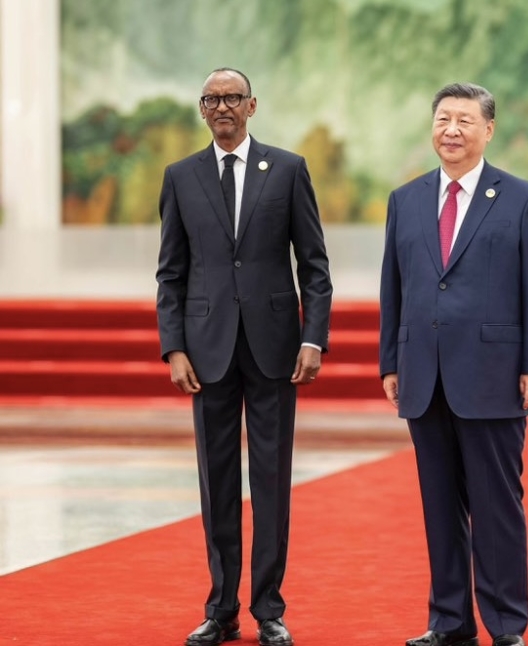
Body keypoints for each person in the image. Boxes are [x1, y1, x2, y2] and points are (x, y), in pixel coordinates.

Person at [156, 67, 332, 646]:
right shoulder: (181, 177)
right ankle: (221, 607)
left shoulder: (287, 169)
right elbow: (171, 272)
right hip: (207, 351)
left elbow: (314, 266)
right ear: (201, 109)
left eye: (233, 97)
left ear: (252, 105)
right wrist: (174, 345)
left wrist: (313, 338)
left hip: (275, 348)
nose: (223, 107)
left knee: (273, 479)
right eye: (212, 99)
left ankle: (270, 608)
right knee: (218, 480)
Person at [378, 82, 528, 646]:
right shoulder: (405, 200)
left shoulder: (522, 198)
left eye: (463, 120)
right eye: (442, 119)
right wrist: (391, 361)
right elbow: (394, 288)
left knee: (497, 507)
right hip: (423, 377)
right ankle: (449, 623)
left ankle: (506, 626)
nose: (451, 130)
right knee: (438, 508)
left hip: (493, 376)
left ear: (489, 130)